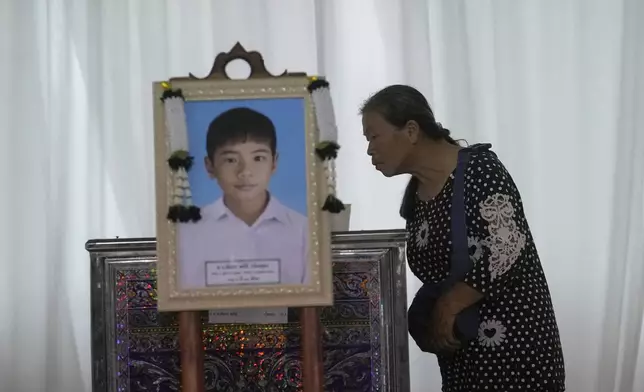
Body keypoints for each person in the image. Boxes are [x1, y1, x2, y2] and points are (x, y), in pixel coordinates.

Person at [360, 85, 565, 391]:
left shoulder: (480, 170)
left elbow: (507, 246)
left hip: (514, 349)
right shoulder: (416, 196)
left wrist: (451, 304)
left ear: (412, 130)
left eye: (374, 137)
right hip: (462, 357)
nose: (369, 150)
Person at [177, 107, 309, 289]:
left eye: (258, 158)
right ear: (210, 167)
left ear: (274, 162)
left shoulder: (305, 231)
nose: (245, 172)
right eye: (231, 160)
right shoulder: (185, 234)